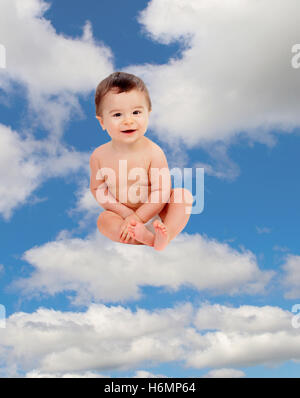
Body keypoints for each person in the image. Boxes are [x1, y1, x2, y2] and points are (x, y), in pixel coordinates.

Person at [90, 71, 193, 251]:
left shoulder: (154, 152)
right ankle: (147, 239)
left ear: (148, 114)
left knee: (182, 196)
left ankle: (166, 233)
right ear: (102, 122)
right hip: (122, 214)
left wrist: (139, 217)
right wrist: (126, 213)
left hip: (158, 210)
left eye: (136, 112)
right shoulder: (99, 156)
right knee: (103, 221)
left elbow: (161, 192)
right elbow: (98, 190)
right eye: (117, 115)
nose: (128, 121)